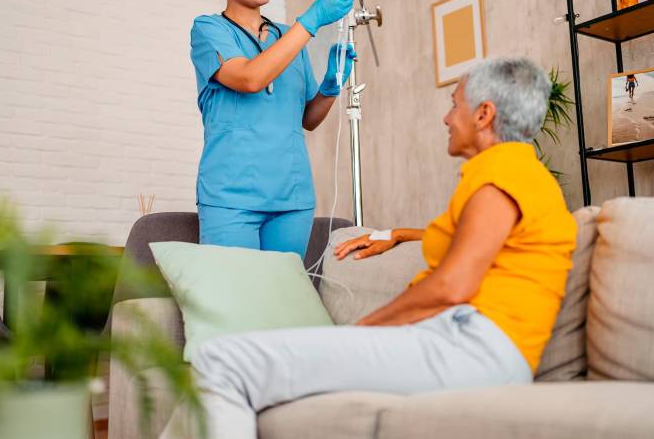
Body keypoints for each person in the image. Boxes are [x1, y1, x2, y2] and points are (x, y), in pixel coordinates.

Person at [162, 57, 578, 439]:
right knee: (246, 372)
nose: (446, 117)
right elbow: (476, 242)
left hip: (470, 346)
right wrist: (397, 234)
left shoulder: (505, 173)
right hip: (472, 346)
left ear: (484, 114)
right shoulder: (516, 175)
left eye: (455, 104)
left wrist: (363, 328)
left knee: (221, 360)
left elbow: (453, 285)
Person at [190, 0, 357, 258]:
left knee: (282, 299)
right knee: (236, 301)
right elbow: (250, 78)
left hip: (291, 196)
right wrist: (312, 19)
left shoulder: (286, 36)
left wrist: (330, 87)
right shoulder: (209, 30)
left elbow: (308, 119)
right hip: (231, 197)